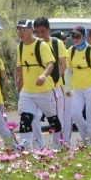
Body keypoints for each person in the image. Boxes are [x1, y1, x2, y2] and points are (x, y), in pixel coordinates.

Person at [14, 19, 56, 150]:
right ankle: (24, 146)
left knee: (54, 122)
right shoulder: (20, 47)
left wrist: (43, 76)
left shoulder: (41, 45)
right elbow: (21, 71)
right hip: (28, 90)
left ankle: (59, 145)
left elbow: (50, 64)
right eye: (19, 30)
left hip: (44, 89)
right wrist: (20, 92)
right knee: (26, 117)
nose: (21, 33)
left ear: (31, 29)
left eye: (24, 30)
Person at [32, 18, 68, 149]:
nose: (40, 35)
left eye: (43, 31)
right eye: (37, 32)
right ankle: (38, 146)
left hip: (56, 87)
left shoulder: (56, 43)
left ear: (49, 30)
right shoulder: (33, 44)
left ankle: (57, 146)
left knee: (57, 118)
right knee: (34, 117)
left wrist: (55, 78)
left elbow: (63, 64)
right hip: (37, 89)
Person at [65, 26, 91, 146]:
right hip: (77, 89)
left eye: (78, 36)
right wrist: (68, 88)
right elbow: (69, 70)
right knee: (75, 113)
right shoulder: (71, 51)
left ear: (84, 36)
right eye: (73, 36)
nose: (75, 39)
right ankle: (87, 138)